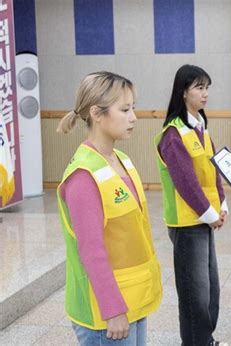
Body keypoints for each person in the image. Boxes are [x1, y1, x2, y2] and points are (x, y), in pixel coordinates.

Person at [56, 71, 163, 345]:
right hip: (105, 312)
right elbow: (92, 250)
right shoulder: (83, 175)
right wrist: (113, 309)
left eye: (134, 109)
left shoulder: (121, 160)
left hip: (132, 298)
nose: (133, 117)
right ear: (97, 113)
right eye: (125, 109)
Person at [154, 64, 228, 346]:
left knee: (210, 292)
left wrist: (221, 204)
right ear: (183, 92)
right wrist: (210, 214)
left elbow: (212, 171)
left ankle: (205, 340)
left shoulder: (200, 127)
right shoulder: (173, 134)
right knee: (194, 295)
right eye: (199, 87)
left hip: (204, 220)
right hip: (187, 224)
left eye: (207, 87)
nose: (205, 93)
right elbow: (186, 182)